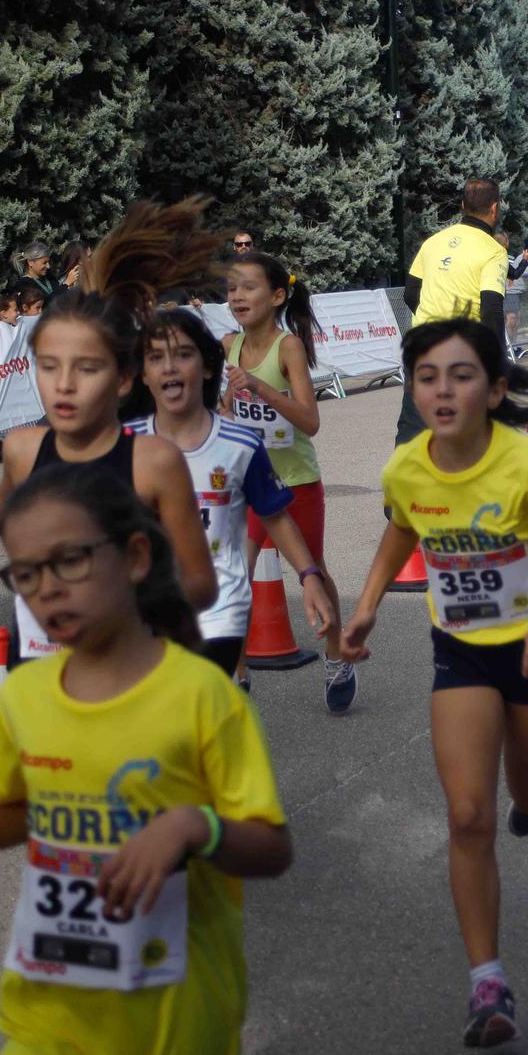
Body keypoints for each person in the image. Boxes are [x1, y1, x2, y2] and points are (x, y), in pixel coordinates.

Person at [0, 462, 291, 1055]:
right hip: (53, 1009)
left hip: (174, 1017)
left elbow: (271, 846)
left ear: (136, 556)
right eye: (25, 572)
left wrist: (191, 826)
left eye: (69, 560)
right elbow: (13, 813)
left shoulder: (203, 696)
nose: (47, 587)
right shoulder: (25, 698)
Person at [341, 319, 528, 1050]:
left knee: (527, 796)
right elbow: (404, 524)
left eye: (461, 375)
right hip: (459, 649)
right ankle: (486, 980)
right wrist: (364, 607)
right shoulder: (406, 466)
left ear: (494, 389)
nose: (442, 389)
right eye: (427, 376)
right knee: (468, 814)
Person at [0, 200, 220, 667]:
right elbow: (10, 499)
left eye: (86, 368)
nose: (63, 384)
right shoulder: (25, 447)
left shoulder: (153, 463)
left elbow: (202, 585)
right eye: (48, 367)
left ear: (123, 378)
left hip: (125, 673)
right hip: (39, 674)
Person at [132, 307, 337, 678]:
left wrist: (308, 576)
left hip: (215, 613)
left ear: (208, 367)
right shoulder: (122, 445)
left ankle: (239, 681)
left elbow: (275, 514)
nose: (170, 368)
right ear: (142, 373)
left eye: (183, 355)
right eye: (156, 358)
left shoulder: (240, 445)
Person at [219, 251, 352, 712]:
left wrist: (261, 389)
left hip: (295, 481)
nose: (237, 295)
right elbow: (228, 411)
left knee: (312, 570)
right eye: (232, 287)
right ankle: (235, 675)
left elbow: (309, 420)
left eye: (248, 287)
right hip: (249, 484)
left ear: (277, 296)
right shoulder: (228, 344)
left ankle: (337, 655)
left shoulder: (288, 346)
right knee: (234, 577)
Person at [399, 180, 508, 445]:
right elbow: (491, 308)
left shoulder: (433, 242)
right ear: (494, 208)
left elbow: (410, 293)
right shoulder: (493, 251)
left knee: (413, 427)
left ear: (462, 205)